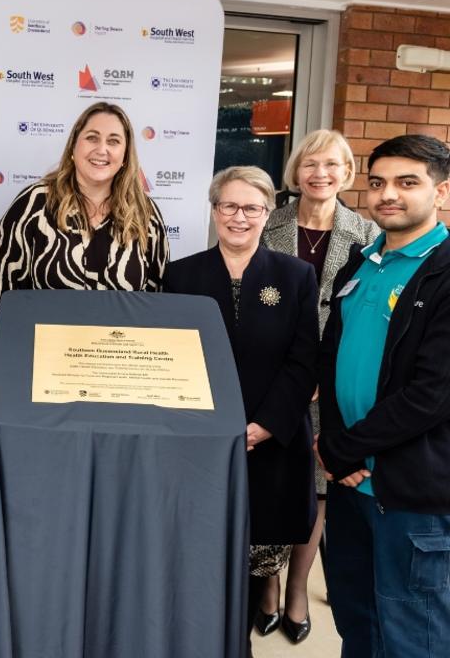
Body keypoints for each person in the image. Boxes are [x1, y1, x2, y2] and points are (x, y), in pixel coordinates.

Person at [163, 166, 318, 649]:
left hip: (269, 446)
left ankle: (238, 644)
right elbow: (168, 360)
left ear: (268, 213)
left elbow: (304, 359)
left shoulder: (295, 276)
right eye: (228, 206)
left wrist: (264, 426)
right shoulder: (180, 274)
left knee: (255, 563)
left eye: (251, 207)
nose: (238, 217)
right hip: (198, 449)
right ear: (213, 211)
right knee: (197, 561)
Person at [317, 134, 450, 658]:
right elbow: (331, 361)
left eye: (406, 182)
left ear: (441, 191)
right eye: (377, 183)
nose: (387, 194)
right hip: (351, 485)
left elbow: (433, 394)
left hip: (410, 493)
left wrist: (345, 448)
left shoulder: (443, 272)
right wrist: (333, 444)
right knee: (357, 621)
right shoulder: (361, 263)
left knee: (413, 632)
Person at [258, 130, 379, 643]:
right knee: (269, 477)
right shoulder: (269, 221)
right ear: (295, 171)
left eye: (332, 164)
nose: (319, 174)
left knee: (319, 484)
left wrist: (321, 373)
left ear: (347, 172)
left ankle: (297, 588)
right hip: (274, 374)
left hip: (330, 382)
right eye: (310, 164)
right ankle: (266, 583)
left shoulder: (368, 232)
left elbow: (367, 315)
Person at [0, 102, 169, 314]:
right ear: (74, 147)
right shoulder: (34, 203)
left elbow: (158, 297)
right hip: (45, 344)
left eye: (114, 141)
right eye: (92, 137)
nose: (102, 150)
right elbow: (1, 288)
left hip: (119, 345)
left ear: (125, 155)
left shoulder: (144, 212)